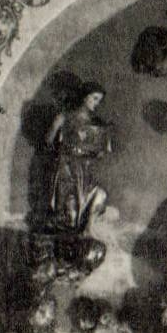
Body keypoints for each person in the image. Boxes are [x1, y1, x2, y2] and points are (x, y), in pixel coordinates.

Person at [45, 85, 112, 233]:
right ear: (84, 97)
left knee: (99, 195)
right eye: (94, 98)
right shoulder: (64, 117)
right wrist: (63, 145)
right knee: (69, 212)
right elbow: (49, 140)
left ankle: (86, 231)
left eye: (99, 100)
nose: (97, 103)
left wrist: (95, 148)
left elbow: (102, 153)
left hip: (84, 171)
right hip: (66, 169)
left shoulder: (97, 123)